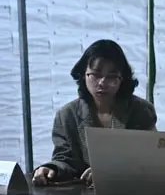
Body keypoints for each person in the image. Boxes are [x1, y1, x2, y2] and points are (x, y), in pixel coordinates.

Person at [33, 40, 156, 186]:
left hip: (130, 191)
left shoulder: (141, 110)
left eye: (111, 76)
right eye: (95, 75)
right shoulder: (67, 115)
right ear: (83, 75)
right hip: (82, 194)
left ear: (122, 79)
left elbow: (150, 158)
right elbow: (64, 158)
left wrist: (109, 171)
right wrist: (52, 168)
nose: (102, 82)